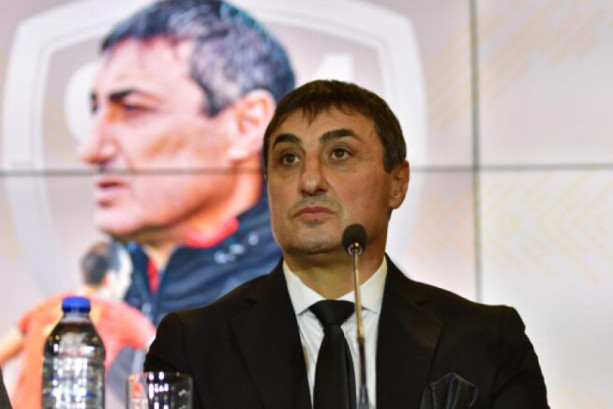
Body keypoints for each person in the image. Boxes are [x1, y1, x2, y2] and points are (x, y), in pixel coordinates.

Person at [144, 80, 550, 409]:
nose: (309, 180)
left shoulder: (485, 340)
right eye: (288, 159)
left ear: (397, 183)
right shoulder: (193, 345)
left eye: (339, 153)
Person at [78, 0, 295, 326]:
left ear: (247, 125)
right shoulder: (110, 288)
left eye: (133, 108)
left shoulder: (319, 302)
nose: (90, 150)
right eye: (95, 111)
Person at [0, 241, 155, 409]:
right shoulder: (118, 314)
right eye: (127, 276)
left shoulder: (44, 307)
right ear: (110, 279)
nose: (128, 283)